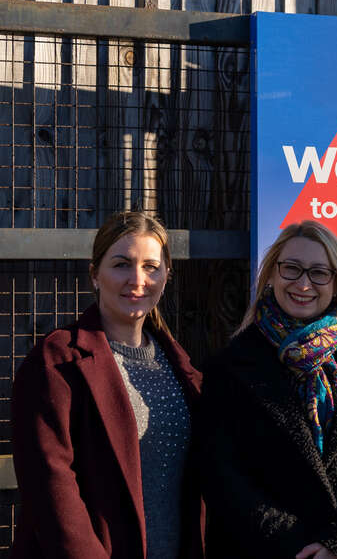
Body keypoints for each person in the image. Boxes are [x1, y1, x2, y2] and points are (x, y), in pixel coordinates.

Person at [199, 220, 337, 559]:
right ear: (271, 274)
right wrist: (298, 548)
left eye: (319, 273)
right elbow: (221, 475)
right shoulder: (228, 369)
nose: (303, 284)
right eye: (291, 269)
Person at [11, 211, 204, 559]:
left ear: (167, 276)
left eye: (150, 266)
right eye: (121, 264)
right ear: (95, 275)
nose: (137, 279)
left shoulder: (181, 369)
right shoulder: (57, 361)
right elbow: (50, 486)